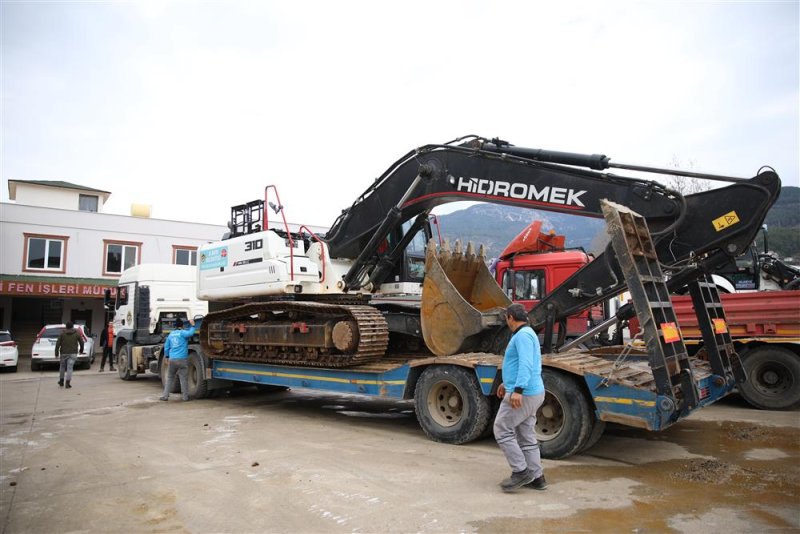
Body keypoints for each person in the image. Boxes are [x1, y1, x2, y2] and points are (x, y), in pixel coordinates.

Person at [494, 303, 547, 492]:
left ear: (510, 318)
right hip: (532, 393)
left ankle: (521, 471)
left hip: (525, 394)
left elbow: (526, 364)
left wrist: (517, 390)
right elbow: (519, 364)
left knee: (502, 429)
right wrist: (507, 384)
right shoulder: (528, 333)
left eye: (506, 318)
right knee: (526, 435)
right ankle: (537, 477)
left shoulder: (522, 336)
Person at [159, 317, 196, 401]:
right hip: (182, 359)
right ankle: (185, 397)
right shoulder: (183, 333)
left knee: (170, 378)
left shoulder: (171, 334)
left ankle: (165, 396)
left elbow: (166, 347)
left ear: (175, 326)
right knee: (183, 378)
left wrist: (167, 357)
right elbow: (190, 333)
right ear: (182, 326)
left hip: (172, 359)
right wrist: (193, 325)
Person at [55, 322, 84, 389]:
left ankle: (61, 381)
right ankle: (68, 383)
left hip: (63, 353)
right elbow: (81, 342)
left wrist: (56, 353)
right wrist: (81, 350)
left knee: (62, 367)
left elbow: (58, 343)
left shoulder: (62, 333)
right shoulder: (76, 333)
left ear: (66, 327)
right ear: (72, 326)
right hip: (73, 353)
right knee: (70, 368)